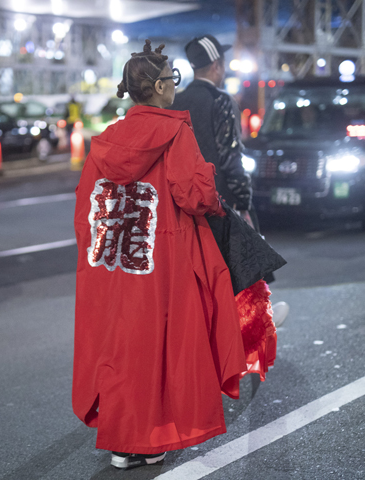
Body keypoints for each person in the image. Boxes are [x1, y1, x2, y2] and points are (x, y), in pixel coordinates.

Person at [73, 40, 251, 470]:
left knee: (121, 344)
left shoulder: (107, 141)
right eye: (171, 79)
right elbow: (195, 194)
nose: (175, 85)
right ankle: (149, 437)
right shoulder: (173, 132)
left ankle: (123, 442)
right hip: (164, 258)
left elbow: (86, 206)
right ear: (157, 86)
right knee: (163, 345)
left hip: (116, 260)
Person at [170, 34, 289, 327]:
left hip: (184, 203)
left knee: (203, 277)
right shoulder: (220, 101)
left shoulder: (177, 101)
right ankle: (256, 325)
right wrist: (243, 198)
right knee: (244, 263)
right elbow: (230, 157)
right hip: (220, 200)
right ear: (217, 66)